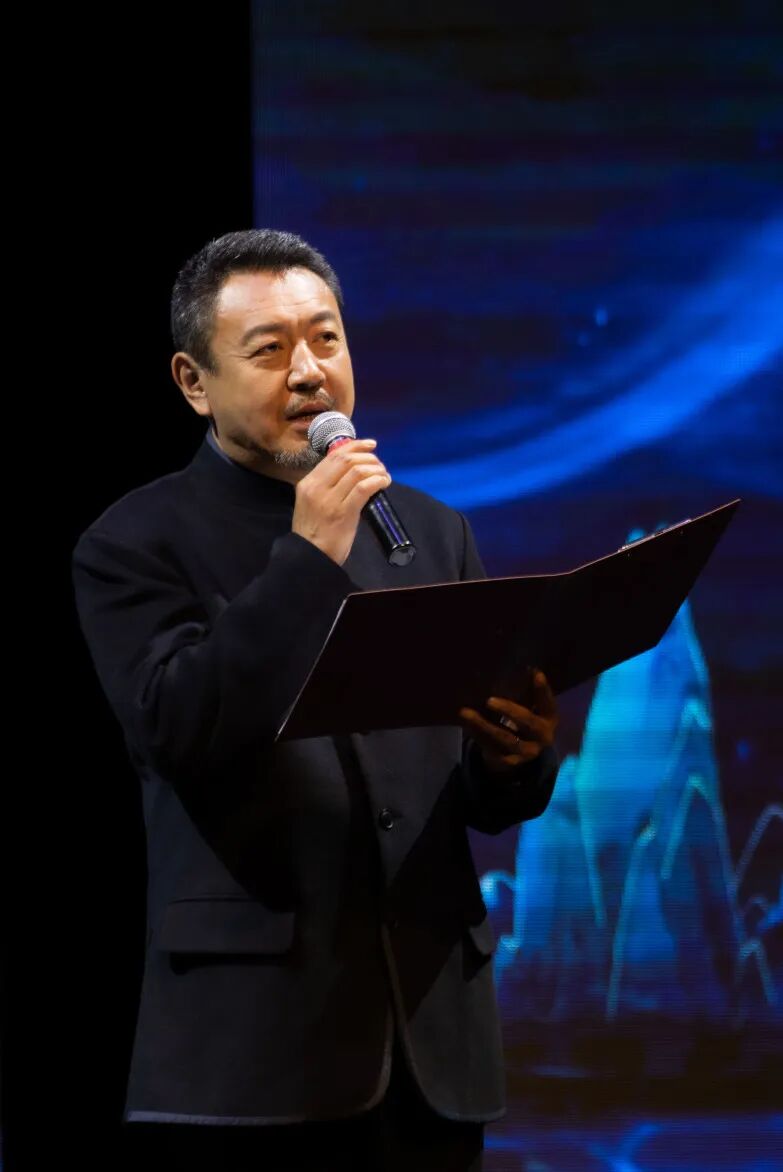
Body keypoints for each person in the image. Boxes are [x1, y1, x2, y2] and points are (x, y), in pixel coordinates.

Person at [72, 229, 559, 1171]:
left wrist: (515, 759)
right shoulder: (134, 542)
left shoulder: (430, 532)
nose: (308, 372)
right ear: (194, 382)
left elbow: (465, 793)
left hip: (431, 1049)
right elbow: (180, 728)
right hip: (255, 1055)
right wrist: (307, 557)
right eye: (268, 349)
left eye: (325, 339)